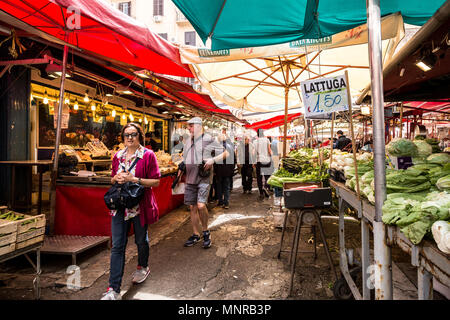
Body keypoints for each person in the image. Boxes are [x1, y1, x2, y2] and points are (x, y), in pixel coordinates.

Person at [101, 123, 161, 300]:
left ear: (139, 136)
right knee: (117, 246)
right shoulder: (117, 156)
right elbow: (112, 178)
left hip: (139, 206)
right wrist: (116, 178)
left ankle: (143, 266)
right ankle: (113, 289)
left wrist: (134, 179)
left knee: (141, 240)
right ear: (122, 137)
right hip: (120, 207)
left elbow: (156, 181)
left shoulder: (148, 155)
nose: (130, 138)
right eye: (126, 135)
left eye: (133, 134)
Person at [183, 117, 228, 248]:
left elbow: (225, 153)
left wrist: (212, 160)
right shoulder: (187, 141)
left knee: (201, 205)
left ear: (198, 126)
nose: (188, 128)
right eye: (188, 126)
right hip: (190, 178)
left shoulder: (208, 139)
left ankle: (206, 231)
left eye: (190, 126)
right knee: (192, 207)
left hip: (203, 177)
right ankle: (196, 234)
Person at [215, 133, 236, 209]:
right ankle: (226, 203)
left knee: (219, 186)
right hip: (228, 170)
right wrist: (232, 169)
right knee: (226, 187)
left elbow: (215, 160)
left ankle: (220, 201)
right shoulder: (230, 147)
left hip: (219, 170)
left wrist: (215, 170)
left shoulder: (217, 147)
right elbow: (234, 159)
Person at [254, 129, 273, 201]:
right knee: (267, 176)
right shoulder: (267, 140)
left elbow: (254, 153)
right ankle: (266, 186)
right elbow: (269, 150)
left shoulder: (255, 142)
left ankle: (261, 192)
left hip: (259, 161)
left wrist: (253, 162)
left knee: (259, 177)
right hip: (266, 160)